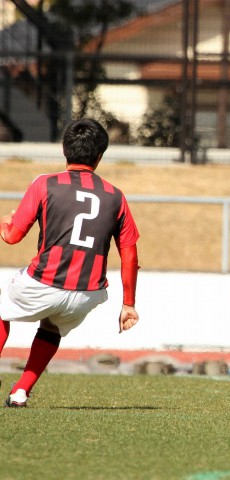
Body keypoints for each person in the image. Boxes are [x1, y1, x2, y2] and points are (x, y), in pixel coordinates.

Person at [0, 118, 140, 407]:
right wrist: (128, 304)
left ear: (65, 150)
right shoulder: (116, 196)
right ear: (100, 156)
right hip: (86, 295)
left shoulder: (45, 183)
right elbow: (129, 253)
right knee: (51, 327)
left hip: (42, 283)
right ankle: (20, 391)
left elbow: (12, 236)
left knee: (2, 311)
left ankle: (19, 390)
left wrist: (5, 223)